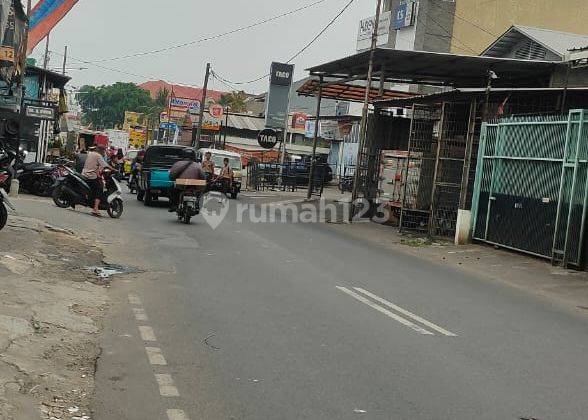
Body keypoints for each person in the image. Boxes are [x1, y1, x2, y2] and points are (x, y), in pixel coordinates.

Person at [82, 146, 115, 217]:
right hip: (91, 176)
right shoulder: (98, 155)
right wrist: (114, 170)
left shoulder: (90, 153)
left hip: (84, 174)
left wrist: (99, 173)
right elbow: (105, 165)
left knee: (96, 185)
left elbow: (95, 166)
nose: (104, 152)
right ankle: (95, 208)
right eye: (104, 151)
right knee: (100, 188)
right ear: (101, 150)